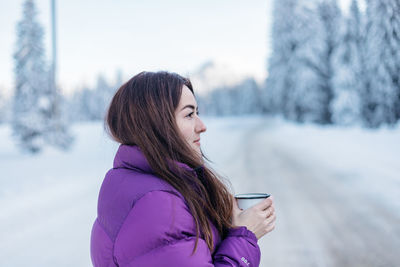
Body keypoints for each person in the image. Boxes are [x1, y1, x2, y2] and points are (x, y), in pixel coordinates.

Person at [90, 71, 276, 266]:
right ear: (157, 125)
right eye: (189, 114)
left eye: (197, 113)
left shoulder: (135, 183)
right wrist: (244, 236)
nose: (202, 126)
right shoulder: (159, 204)